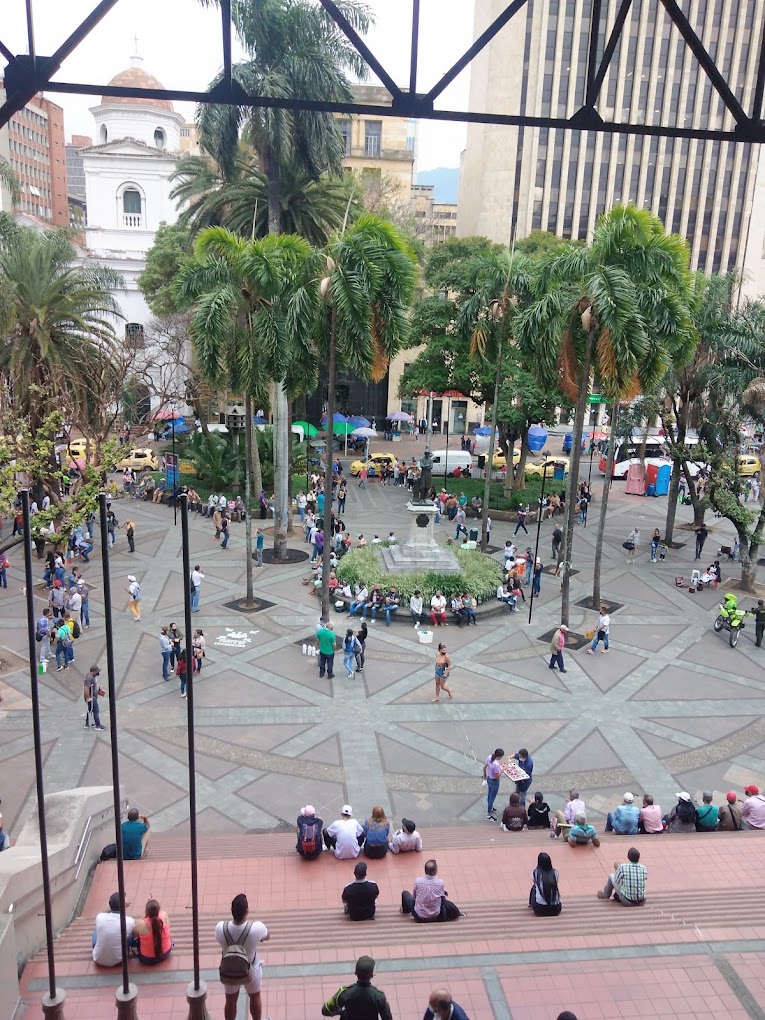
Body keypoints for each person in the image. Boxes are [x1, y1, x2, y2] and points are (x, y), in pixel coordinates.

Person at [215, 893, 270, 1020]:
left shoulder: (220, 928)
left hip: (228, 970)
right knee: (255, 997)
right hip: (251, 969)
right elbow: (267, 936)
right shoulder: (256, 928)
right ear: (247, 911)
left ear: (232, 911)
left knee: (230, 1000)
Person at [322, 955, 392, 1020]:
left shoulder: (345, 993)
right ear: (372, 975)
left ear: (356, 973)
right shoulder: (379, 997)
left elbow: (326, 1010)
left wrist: (341, 1012)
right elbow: (387, 1018)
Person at [92, 891, 135, 967]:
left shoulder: (100, 917)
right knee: (130, 933)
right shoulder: (129, 921)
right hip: (119, 959)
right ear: (123, 905)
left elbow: (103, 911)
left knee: (97, 930)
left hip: (98, 958)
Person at [131, 898, 172, 965]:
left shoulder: (141, 924)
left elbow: (135, 935)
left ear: (146, 911)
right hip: (165, 953)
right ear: (159, 910)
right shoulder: (164, 915)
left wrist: (144, 917)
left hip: (147, 959)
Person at [529, 852, 562, 916]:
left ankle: (530, 903)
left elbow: (534, 882)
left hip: (540, 909)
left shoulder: (535, 872)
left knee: (534, 887)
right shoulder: (555, 873)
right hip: (556, 909)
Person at [483, 747, 505, 821]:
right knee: (492, 797)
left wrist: (485, 776)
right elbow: (496, 776)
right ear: (499, 756)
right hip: (494, 781)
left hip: (489, 778)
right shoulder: (496, 765)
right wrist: (503, 770)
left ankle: (490, 807)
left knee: (490, 794)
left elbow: (484, 767)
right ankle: (489, 814)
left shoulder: (489, 757)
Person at [84, 665, 106, 730]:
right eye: (96, 672)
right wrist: (88, 698)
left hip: (93, 696)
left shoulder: (93, 676)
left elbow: (96, 684)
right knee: (96, 710)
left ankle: (87, 723)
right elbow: (86, 688)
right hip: (91, 697)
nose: (98, 673)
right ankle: (98, 725)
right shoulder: (89, 678)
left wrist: (99, 690)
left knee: (90, 710)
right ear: (92, 672)